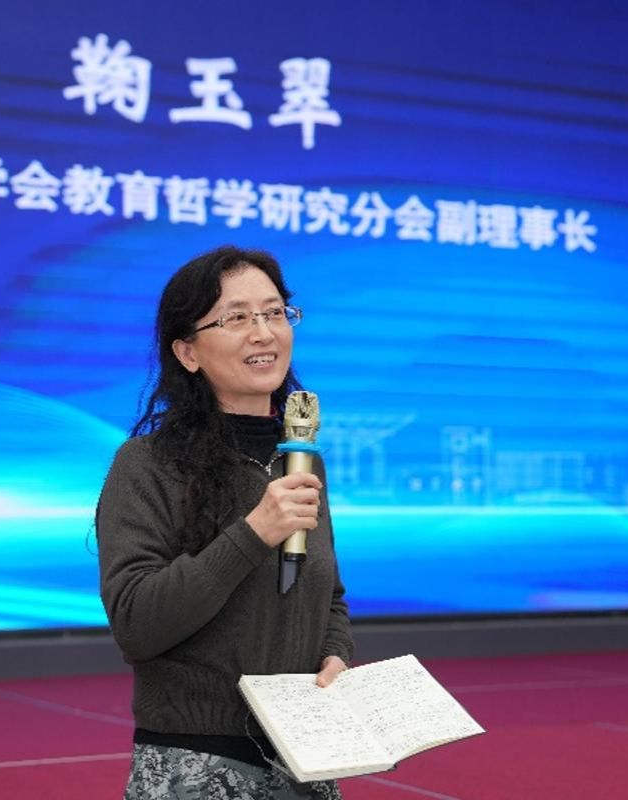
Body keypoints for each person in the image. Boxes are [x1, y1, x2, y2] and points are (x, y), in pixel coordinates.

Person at [97, 245, 354, 799]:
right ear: (187, 352)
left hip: (307, 758)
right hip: (195, 766)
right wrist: (253, 533)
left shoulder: (301, 463)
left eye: (275, 313)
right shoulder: (148, 464)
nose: (263, 333)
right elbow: (137, 624)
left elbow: (327, 593)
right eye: (236, 318)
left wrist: (335, 654)